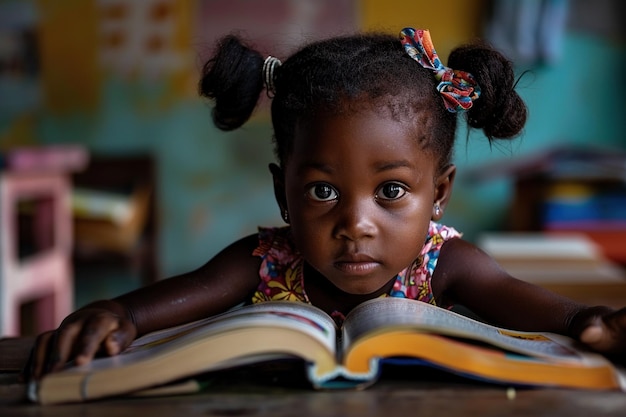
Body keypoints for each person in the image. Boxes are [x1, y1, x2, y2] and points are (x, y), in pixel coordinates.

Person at [27, 27, 626, 379]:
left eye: (391, 191)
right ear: (280, 192)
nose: (355, 224)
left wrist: (587, 321)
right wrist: (118, 314)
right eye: (322, 191)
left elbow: (545, 311)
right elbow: (174, 296)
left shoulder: (446, 264)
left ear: (438, 194)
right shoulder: (267, 259)